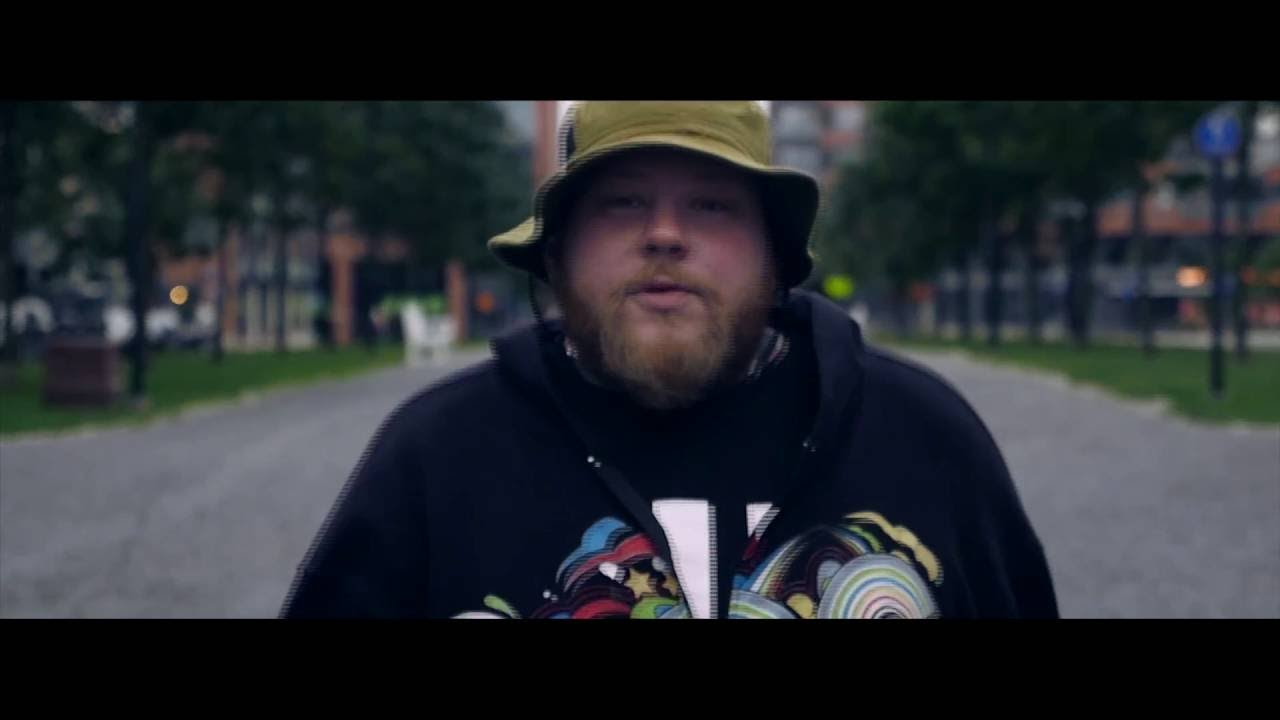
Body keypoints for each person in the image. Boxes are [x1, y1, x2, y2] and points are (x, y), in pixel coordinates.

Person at [280, 101, 1058, 619]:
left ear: (773, 255)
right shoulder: (438, 455)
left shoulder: (922, 440)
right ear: (557, 250)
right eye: (623, 201)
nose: (664, 234)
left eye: (711, 204)